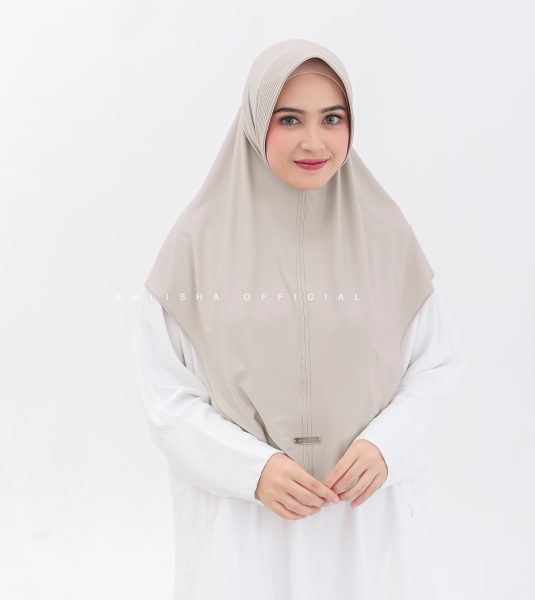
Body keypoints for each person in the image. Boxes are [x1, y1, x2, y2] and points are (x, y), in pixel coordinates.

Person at [133, 39, 466, 600]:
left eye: (332, 118)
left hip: (365, 527)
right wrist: (252, 469)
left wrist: (387, 446)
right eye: (290, 119)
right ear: (256, 121)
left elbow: (436, 368)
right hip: (245, 534)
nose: (315, 141)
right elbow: (166, 400)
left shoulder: (387, 238)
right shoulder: (196, 246)